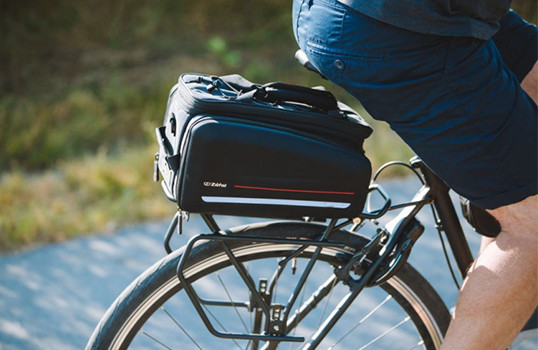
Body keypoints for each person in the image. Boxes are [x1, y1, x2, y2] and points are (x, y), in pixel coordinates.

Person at [292, 0, 537, 349]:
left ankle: (517, 300)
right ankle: (513, 283)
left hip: (402, 15)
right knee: (533, 228)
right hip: (397, 31)